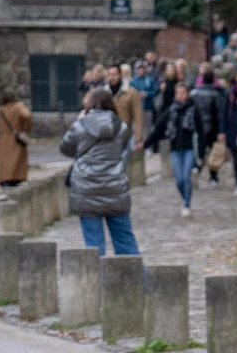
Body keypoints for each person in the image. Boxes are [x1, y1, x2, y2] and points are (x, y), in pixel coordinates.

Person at [60, 88, 141, 256]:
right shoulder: (122, 128)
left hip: (86, 189)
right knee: (125, 241)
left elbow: (66, 149)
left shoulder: (80, 126)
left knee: (94, 246)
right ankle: (136, 280)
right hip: (115, 188)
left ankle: (98, 281)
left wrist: (79, 121)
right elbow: (122, 149)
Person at [146, 82, 202, 216]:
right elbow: (159, 129)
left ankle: (187, 205)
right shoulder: (172, 110)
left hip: (189, 148)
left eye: (183, 93)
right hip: (175, 148)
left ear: (187, 94)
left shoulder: (194, 109)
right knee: (178, 179)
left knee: (185, 176)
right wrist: (145, 144)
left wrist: (201, 151)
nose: (180, 96)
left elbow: (201, 131)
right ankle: (185, 198)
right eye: (178, 93)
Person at [192, 66, 226, 183]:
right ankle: (213, 176)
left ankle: (197, 169)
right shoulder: (216, 94)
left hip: (198, 126)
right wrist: (221, 130)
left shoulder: (195, 93)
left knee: (199, 151)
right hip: (212, 126)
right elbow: (220, 113)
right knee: (213, 152)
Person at [106, 65, 145, 165]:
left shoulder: (131, 92)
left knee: (122, 165)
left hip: (124, 136)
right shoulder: (104, 92)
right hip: (107, 136)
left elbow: (138, 117)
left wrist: (138, 138)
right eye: (110, 75)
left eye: (115, 74)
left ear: (120, 75)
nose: (112, 77)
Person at [0, 89, 32, 187]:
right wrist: (25, 128)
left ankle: (5, 180)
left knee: (4, 161)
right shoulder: (18, 107)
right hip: (16, 138)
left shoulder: (0, 110)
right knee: (16, 161)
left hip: (3, 139)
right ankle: (16, 179)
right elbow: (27, 115)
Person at [225, 73, 237, 192]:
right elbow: (225, 113)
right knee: (236, 159)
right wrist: (222, 131)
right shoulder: (231, 93)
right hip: (234, 129)